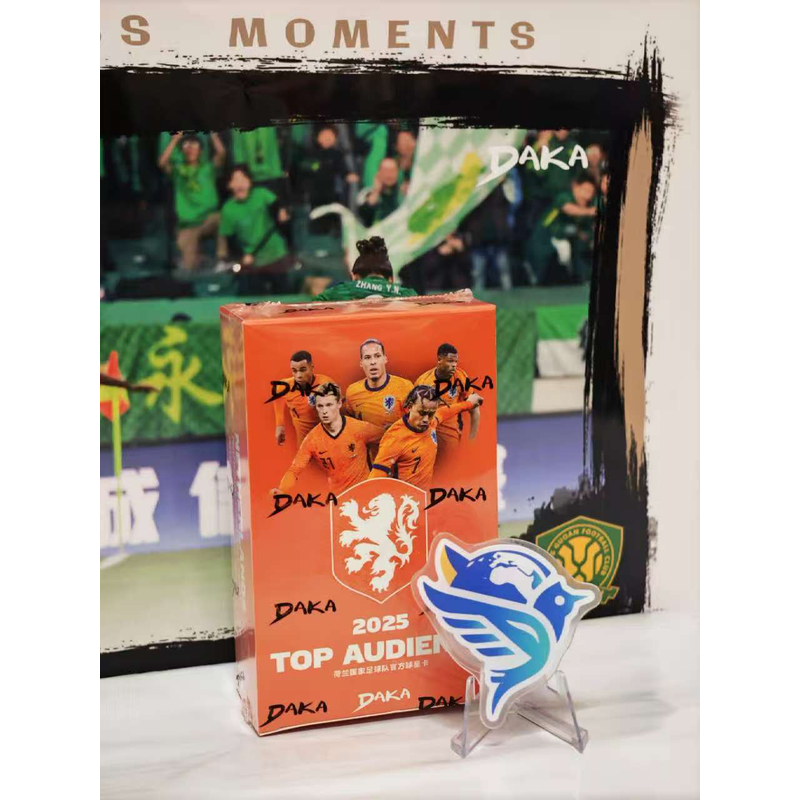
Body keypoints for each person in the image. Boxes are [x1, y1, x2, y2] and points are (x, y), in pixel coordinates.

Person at [273, 383, 384, 496]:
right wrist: (282, 490)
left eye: (329, 405)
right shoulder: (313, 439)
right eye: (320, 406)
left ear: (339, 403)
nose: (324, 411)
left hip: (365, 494)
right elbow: (294, 470)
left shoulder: (358, 428)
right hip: (338, 499)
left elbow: (389, 438)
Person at [368, 385, 483, 489]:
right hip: (404, 501)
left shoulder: (432, 421)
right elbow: (375, 480)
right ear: (409, 407)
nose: (426, 420)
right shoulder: (395, 438)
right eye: (422, 413)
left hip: (424, 497)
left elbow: (445, 412)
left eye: (431, 414)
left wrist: (469, 403)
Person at [217, 164, 293, 293]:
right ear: (229, 185)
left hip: (276, 255)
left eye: (243, 179)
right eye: (236, 180)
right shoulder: (228, 209)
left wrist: (282, 212)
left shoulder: (262, 194)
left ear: (249, 182)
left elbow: (279, 205)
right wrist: (242, 256)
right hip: (252, 262)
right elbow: (231, 240)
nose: (240, 184)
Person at [158, 132, 226, 271]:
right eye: (186, 146)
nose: (190, 149)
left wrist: (213, 134)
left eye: (194, 146)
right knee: (189, 269)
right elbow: (162, 163)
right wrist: (175, 140)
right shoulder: (178, 171)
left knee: (223, 217)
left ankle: (222, 259)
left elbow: (222, 154)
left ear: (200, 150)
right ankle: (197, 258)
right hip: (187, 226)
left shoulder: (207, 168)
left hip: (207, 220)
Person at [415, 343, 481, 465]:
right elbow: (415, 415)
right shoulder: (423, 382)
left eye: (456, 362)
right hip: (427, 438)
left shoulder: (460, 377)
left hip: (451, 439)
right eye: (450, 361)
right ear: (439, 360)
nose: (454, 365)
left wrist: (472, 440)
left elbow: (474, 407)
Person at [527, 173, 598, 284]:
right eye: (585, 190)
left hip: (563, 241)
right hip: (545, 240)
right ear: (575, 186)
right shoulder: (564, 197)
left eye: (591, 192)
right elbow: (569, 209)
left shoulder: (590, 204)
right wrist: (591, 211)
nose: (587, 196)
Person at [313, 236, 417, 301]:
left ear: (355, 277)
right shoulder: (408, 295)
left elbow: (313, 308)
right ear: (391, 279)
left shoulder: (342, 290)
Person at [271, 350, 337, 449]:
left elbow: (340, 412)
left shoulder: (326, 384)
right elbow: (277, 393)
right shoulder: (286, 386)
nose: (298, 375)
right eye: (294, 371)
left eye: (303, 370)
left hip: (328, 443)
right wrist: (279, 424)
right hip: (304, 446)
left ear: (312, 367)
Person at [344, 339, 414, 429]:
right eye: (367, 357)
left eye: (377, 356)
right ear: (361, 363)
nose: (373, 362)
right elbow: (352, 424)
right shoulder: (352, 392)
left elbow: (415, 423)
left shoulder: (405, 387)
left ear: (385, 359)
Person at [357, 158, 402, 226]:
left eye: (393, 170)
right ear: (379, 173)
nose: (389, 174)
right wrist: (376, 192)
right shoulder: (366, 193)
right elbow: (363, 216)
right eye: (386, 170)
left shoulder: (404, 193)